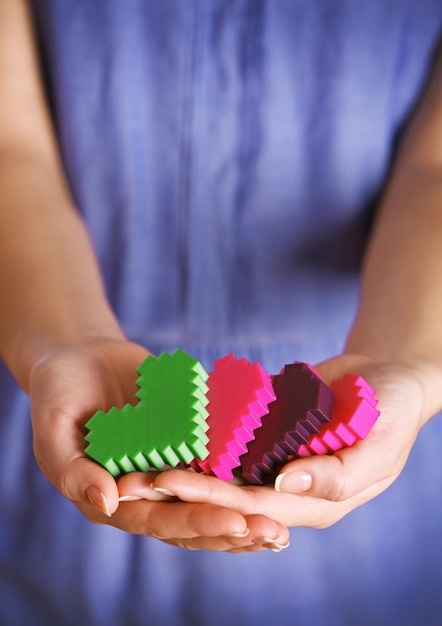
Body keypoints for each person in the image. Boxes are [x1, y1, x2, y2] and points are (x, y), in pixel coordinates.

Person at [1, 0, 442, 623]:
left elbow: (436, 168)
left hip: (380, 486)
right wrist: (60, 343)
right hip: (42, 358)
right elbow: (7, 148)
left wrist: (408, 360)